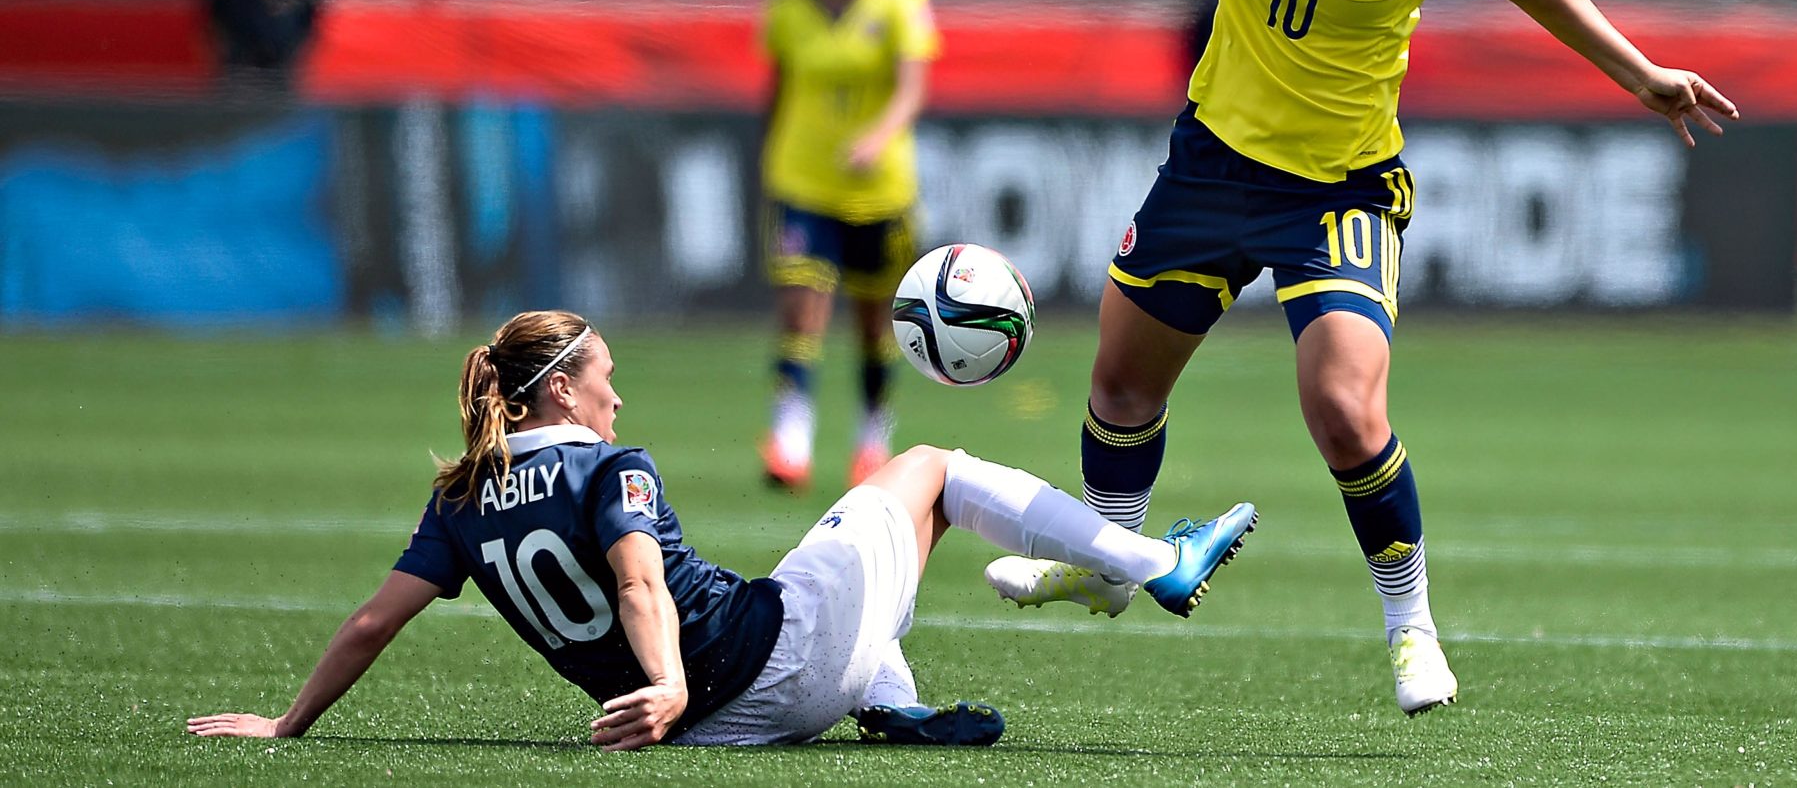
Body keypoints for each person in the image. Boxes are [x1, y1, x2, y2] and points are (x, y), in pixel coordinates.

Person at [960, 0, 1740, 717]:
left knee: (1343, 410)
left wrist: (1639, 75)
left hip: (1336, 190)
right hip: (1212, 161)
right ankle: (1113, 557)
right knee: (1119, 385)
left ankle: (1408, 620)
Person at [186, 311, 1258, 749]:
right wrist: (662, 677)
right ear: (560, 391)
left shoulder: (461, 495)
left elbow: (375, 621)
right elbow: (642, 583)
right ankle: (1156, 558)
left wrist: (289, 723)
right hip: (751, 668)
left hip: (712, 725)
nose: (618, 391)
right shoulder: (613, 464)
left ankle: (892, 698)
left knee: (845, 549)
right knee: (930, 467)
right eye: (603, 375)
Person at [757, 0, 938, 493]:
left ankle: (871, 437)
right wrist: (766, 158)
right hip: (803, 180)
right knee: (800, 306)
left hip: (880, 189)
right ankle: (791, 437)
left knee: (874, 322)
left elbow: (912, 88)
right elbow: (778, 90)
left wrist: (876, 136)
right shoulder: (787, 10)